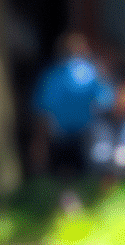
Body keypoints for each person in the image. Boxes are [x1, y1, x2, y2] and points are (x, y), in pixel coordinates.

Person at [29, 31, 115, 177]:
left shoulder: (50, 75)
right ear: (84, 49)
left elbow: (41, 109)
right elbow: (107, 101)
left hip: (58, 135)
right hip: (85, 135)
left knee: (61, 175)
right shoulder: (93, 72)